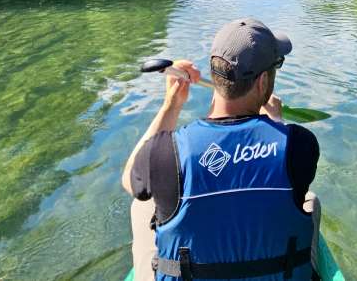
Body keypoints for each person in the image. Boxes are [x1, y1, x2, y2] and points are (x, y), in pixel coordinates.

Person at [121, 18, 321, 281]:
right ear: (262, 82)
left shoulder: (165, 153)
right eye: (276, 66)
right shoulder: (300, 144)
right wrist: (275, 125)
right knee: (310, 200)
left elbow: (130, 181)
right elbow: (270, 165)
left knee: (141, 204)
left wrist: (171, 104)